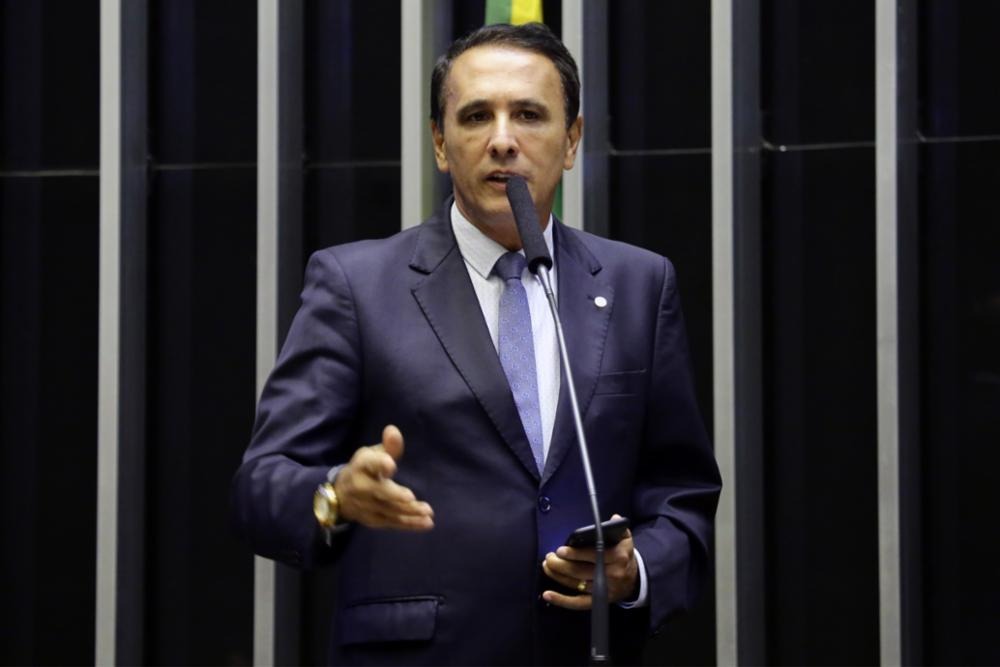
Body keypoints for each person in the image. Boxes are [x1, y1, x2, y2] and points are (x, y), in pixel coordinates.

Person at [232, 22, 721, 666]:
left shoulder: (638, 285)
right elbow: (261, 485)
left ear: (572, 140)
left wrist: (637, 571)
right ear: (441, 143)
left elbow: (682, 493)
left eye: (529, 115)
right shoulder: (356, 285)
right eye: (475, 116)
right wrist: (335, 497)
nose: (503, 140)